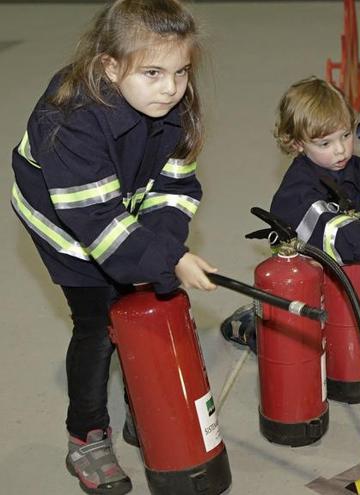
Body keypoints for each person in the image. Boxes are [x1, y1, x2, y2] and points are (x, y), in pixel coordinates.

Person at [9, 1, 218, 493]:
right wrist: (168, 260)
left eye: (181, 71)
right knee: (99, 322)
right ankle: (86, 435)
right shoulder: (68, 121)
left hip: (123, 202)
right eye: (152, 72)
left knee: (146, 301)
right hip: (68, 223)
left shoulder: (171, 101)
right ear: (109, 65)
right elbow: (96, 222)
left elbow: (174, 188)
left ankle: (142, 406)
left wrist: (164, 248)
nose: (170, 87)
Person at [220, 77, 360, 351]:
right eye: (325, 143)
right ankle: (249, 326)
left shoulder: (357, 169)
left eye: (345, 135)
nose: (341, 150)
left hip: (348, 272)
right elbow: (326, 227)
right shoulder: (297, 190)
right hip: (307, 279)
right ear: (297, 144)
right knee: (288, 343)